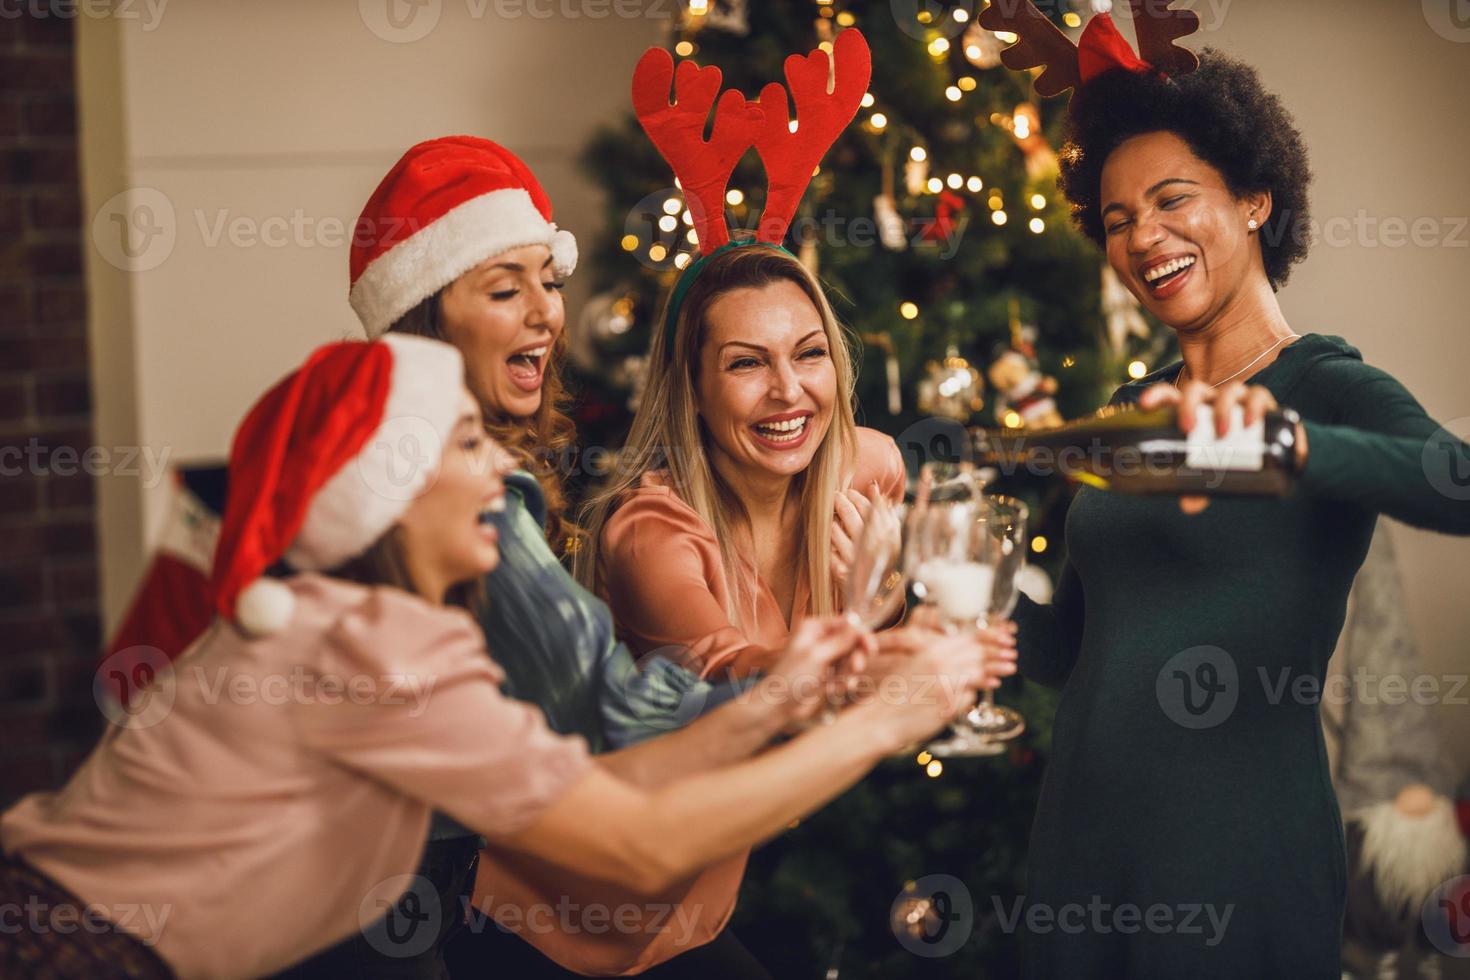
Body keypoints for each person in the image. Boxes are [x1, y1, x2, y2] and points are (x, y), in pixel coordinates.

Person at [0, 335, 998, 980]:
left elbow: (593, 784)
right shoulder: (362, 643)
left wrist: (780, 694)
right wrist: (884, 721)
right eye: (469, 443)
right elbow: (636, 841)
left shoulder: (394, 627)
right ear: (387, 487)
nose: (499, 473)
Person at [978, 5, 1470, 977]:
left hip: (1237, 862)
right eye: (1116, 219)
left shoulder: (1319, 381)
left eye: (1171, 200)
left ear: (1253, 198)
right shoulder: (1127, 411)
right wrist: (947, 611)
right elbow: (1077, 646)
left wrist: (1284, 443)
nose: (1142, 237)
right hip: (1080, 851)